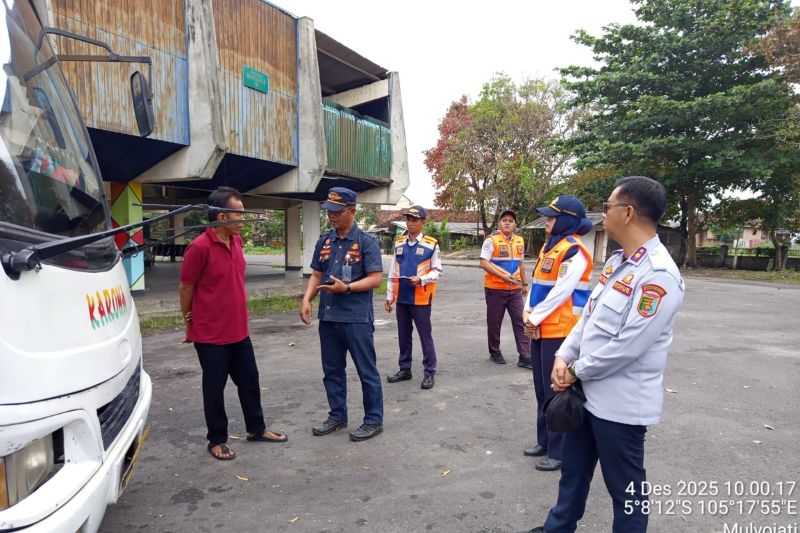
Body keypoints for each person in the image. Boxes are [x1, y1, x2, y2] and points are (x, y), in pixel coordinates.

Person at [520, 176, 685, 533]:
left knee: (626, 491)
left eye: (607, 206)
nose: (602, 213)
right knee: (573, 473)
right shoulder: (617, 262)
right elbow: (588, 318)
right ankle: (557, 528)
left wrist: (575, 370)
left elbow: (629, 345)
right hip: (586, 394)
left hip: (620, 406)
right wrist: (564, 356)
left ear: (628, 213)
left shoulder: (658, 275)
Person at [179, 186, 288, 461]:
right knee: (214, 389)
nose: (243, 218)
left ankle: (256, 429)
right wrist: (189, 321)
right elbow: (186, 287)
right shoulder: (199, 247)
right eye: (238, 213)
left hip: (239, 330)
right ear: (221, 216)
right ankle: (217, 439)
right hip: (210, 334)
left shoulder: (236, 241)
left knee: (250, 381)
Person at [300, 187, 385, 442]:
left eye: (337, 211)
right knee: (332, 371)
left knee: (366, 371)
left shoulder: (366, 242)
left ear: (352, 211)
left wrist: (346, 288)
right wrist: (306, 299)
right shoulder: (325, 241)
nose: (332, 215)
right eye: (329, 211)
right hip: (328, 318)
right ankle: (337, 416)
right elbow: (316, 274)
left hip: (356, 319)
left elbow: (376, 278)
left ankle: (373, 420)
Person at [522, 195, 594, 472]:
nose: (546, 222)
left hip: (561, 330)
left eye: (551, 217)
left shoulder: (574, 251)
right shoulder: (550, 247)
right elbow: (537, 284)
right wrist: (527, 312)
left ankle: (560, 450)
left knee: (556, 391)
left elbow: (561, 292)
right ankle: (544, 441)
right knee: (541, 389)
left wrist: (534, 318)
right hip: (541, 327)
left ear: (566, 220)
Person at [385, 205, 443, 390]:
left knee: (425, 336)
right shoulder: (399, 243)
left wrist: (421, 279)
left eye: (414, 220)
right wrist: (389, 296)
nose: (410, 223)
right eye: (408, 220)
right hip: (402, 297)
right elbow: (393, 270)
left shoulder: (431, 244)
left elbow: (437, 271)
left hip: (421, 299)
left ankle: (429, 372)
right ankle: (405, 369)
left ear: (422, 222)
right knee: (403, 336)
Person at [479, 210, 533, 368]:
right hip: (495, 289)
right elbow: (483, 263)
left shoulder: (519, 240)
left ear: (515, 224)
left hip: (514, 289)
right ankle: (495, 352)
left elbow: (520, 263)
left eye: (510, 220)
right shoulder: (491, 241)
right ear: (499, 224)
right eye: (504, 220)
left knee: (521, 321)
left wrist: (524, 284)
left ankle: (525, 356)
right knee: (494, 323)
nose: (507, 223)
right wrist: (503, 277)